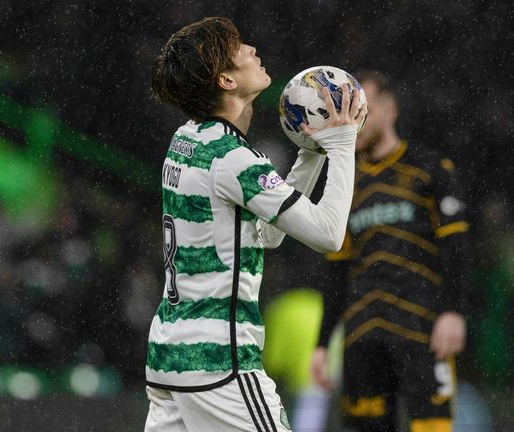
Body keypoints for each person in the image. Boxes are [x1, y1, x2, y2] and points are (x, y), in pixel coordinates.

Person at [145, 16, 367, 432]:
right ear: (226, 81)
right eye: (239, 50)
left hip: (169, 358)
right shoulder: (233, 159)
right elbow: (330, 235)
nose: (252, 50)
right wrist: (340, 142)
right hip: (219, 365)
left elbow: (267, 233)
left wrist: (310, 152)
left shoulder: (187, 140)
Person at [310, 70, 471, 432]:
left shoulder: (430, 170)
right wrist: (322, 344)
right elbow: (336, 270)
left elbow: (456, 248)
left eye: (361, 110)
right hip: (363, 333)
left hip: (422, 330)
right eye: (348, 113)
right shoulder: (343, 186)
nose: (355, 122)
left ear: (390, 108)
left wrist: (453, 311)